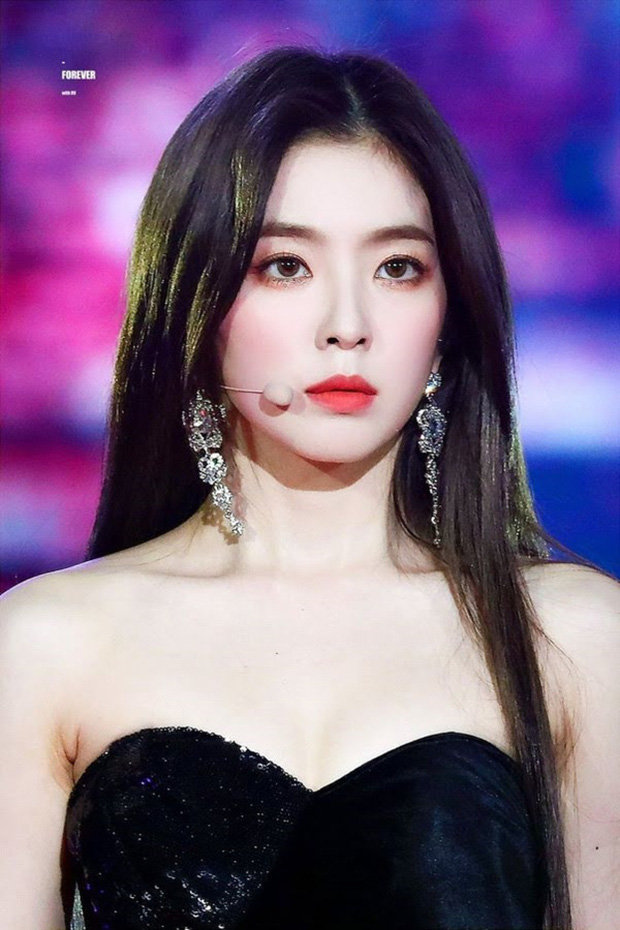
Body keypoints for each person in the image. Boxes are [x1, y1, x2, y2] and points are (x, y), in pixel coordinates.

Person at [0, 45, 618, 930]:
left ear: (448, 321)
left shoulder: (572, 638)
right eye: (284, 266)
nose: (347, 325)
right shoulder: (47, 644)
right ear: (197, 308)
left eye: (398, 267)